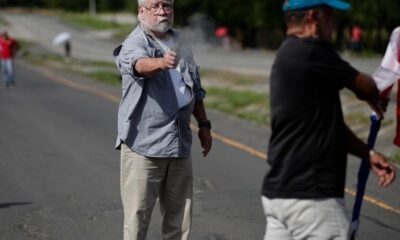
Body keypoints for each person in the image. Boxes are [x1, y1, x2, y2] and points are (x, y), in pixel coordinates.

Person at [261, 1, 396, 239]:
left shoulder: (286, 53)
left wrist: (368, 154)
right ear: (314, 17)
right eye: (331, 16)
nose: (334, 24)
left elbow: (327, 126)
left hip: (279, 196)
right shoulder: (313, 51)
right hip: (314, 201)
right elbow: (367, 87)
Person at [113, 0, 212, 239]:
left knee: (179, 221)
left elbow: (195, 88)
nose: (161, 11)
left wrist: (204, 125)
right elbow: (138, 64)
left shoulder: (181, 40)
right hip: (144, 148)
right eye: (154, 5)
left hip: (179, 144)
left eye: (167, 5)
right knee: (137, 221)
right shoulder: (134, 42)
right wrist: (161, 62)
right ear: (141, 11)